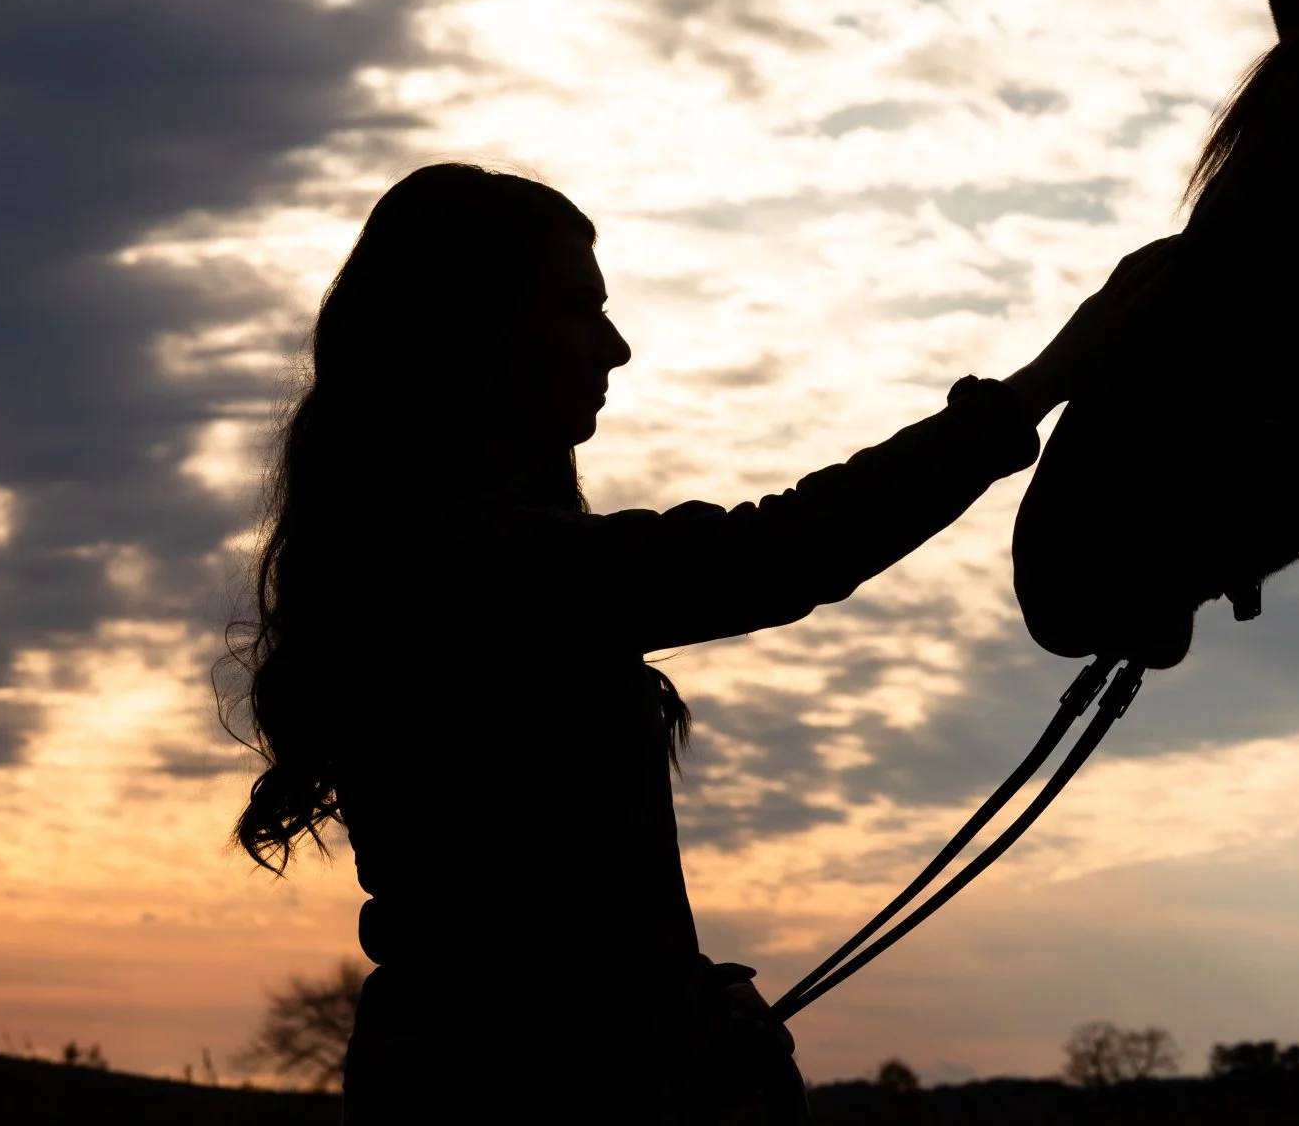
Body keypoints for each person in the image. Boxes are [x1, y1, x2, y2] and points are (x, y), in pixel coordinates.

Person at [227, 164, 1169, 1124]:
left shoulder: (430, 559)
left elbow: (540, 903)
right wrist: (1039, 387)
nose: (617, 346)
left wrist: (690, 992)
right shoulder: (475, 569)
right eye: (576, 309)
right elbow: (779, 551)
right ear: (474, 334)